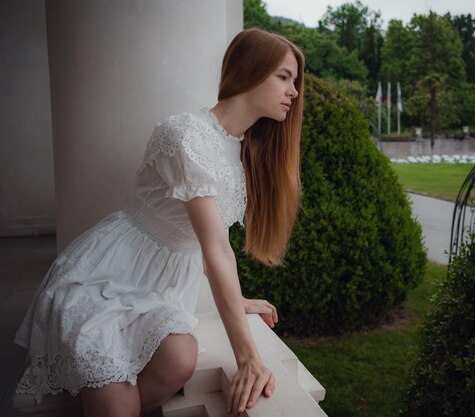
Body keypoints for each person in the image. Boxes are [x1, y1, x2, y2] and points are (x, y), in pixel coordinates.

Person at [14, 27, 305, 417]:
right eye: (284, 77)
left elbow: (198, 244)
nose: (294, 92)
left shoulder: (240, 151)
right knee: (116, 401)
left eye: (295, 81)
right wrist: (248, 357)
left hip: (164, 288)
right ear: (250, 71)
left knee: (179, 361)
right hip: (113, 278)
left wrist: (236, 301)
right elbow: (217, 248)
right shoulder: (185, 134)